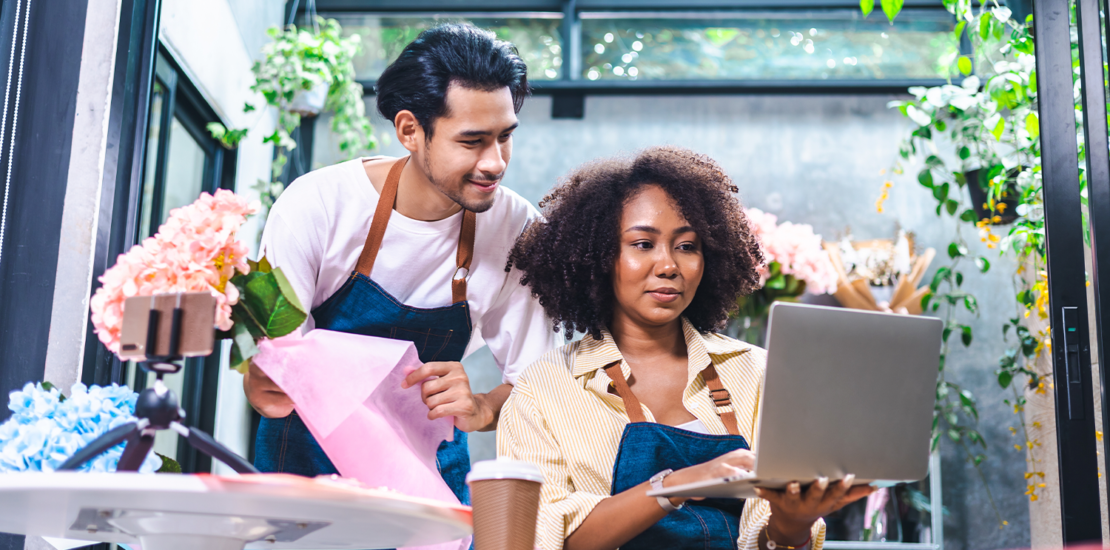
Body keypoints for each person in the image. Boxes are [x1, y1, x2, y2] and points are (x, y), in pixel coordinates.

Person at [498, 147, 874, 550]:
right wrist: (678, 484)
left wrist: (792, 524)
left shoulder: (760, 375)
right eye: (643, 244)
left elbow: (776, 539)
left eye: (687, 246)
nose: (668, 266)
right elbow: (536, 537)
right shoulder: (544, 389)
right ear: (598, 257)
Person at [243, 23, 558, 505]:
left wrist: (482, 407)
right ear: (410, 130)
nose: (495, 162)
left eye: (504, 137)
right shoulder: (317, 205)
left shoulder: (517, 229)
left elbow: (538, 382)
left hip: (428, 481)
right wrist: (263, 376)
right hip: (304, 475)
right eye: (472, 141)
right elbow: (273, 371)